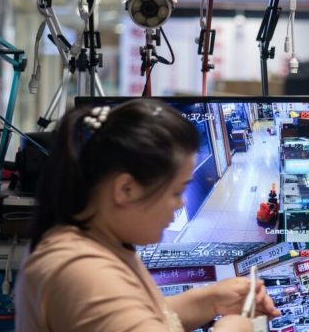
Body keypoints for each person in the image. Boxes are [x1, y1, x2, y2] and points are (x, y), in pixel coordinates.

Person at [15, 100, 279, 332]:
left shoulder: (99, 242)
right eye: (176, 191)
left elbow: (145, 315)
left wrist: (213, 300)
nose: (180, 204)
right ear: (125, 189)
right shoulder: (81, 272)